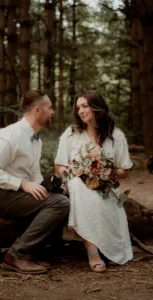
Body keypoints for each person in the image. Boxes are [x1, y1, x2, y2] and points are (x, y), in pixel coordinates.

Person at [0, 90, 70, 275]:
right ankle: (16, 256)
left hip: (13, 192)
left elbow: (32, 173)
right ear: (37, 110)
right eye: (50, 108)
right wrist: (23, 184)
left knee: (63, 195)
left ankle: (46, 248)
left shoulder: (35, 138)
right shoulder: (9, 135)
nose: (52, 112)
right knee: (60, 203)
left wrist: (52, 186)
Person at [55, 90, 133, 273]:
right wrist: (79, 173)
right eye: (78, 108)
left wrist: (106, 170)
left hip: (105, 185)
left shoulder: (117, 136)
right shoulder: (71, 133)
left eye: (85, 106)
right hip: (74, 182)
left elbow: (125, 172)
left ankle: (110, 247)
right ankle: (93, 251)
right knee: (80, 189)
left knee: (103, 200)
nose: (81, 111)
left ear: (97, 107)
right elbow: (59, 167)